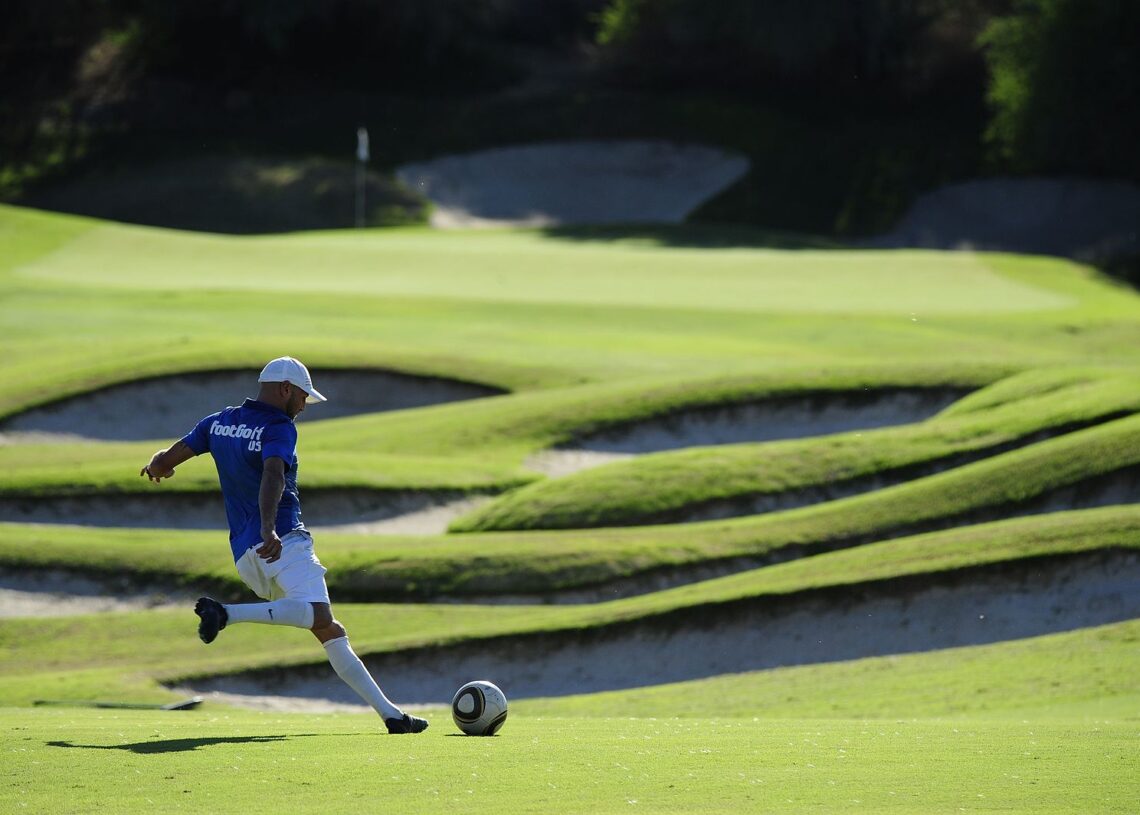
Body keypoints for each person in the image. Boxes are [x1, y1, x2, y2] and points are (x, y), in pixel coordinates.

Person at [141, 356, 428, 734]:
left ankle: (393, 717)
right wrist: (269, 529)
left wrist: (158, 465)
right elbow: (273, 473)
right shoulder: (278, 426)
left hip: (245, 556)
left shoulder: (219, 422)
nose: (304, 406)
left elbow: (169, 456)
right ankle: (226, 613)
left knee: (328, 630)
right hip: (281, 540)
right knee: (320, 616)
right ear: (285, 390)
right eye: (303, 397)